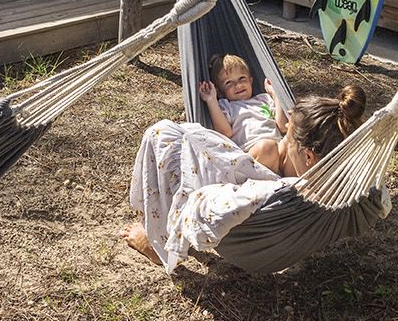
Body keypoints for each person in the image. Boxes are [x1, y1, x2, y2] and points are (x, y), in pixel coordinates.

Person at [121, 83, 368, 268]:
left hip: (233, 203)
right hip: (245, 179)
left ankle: (156, 244)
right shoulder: (342, 182)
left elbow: (222, 191)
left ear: (309, 157)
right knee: (178, 137)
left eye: (289, 138)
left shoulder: (288, 191)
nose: (284, 140)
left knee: (163, 135)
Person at [198, 53, 285, 173]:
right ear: (220, 91)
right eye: (229, 82)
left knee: (295, 143)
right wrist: (211, 100)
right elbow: (225, 132)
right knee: (268, 147)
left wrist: (277, 96)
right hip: (253, 156)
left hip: (279, 149)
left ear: (250, 80)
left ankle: (302, 182)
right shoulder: (227, 106)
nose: (238, 85)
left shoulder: (264, 99)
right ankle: (274, 181)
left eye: (242, 78)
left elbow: (283, 126)